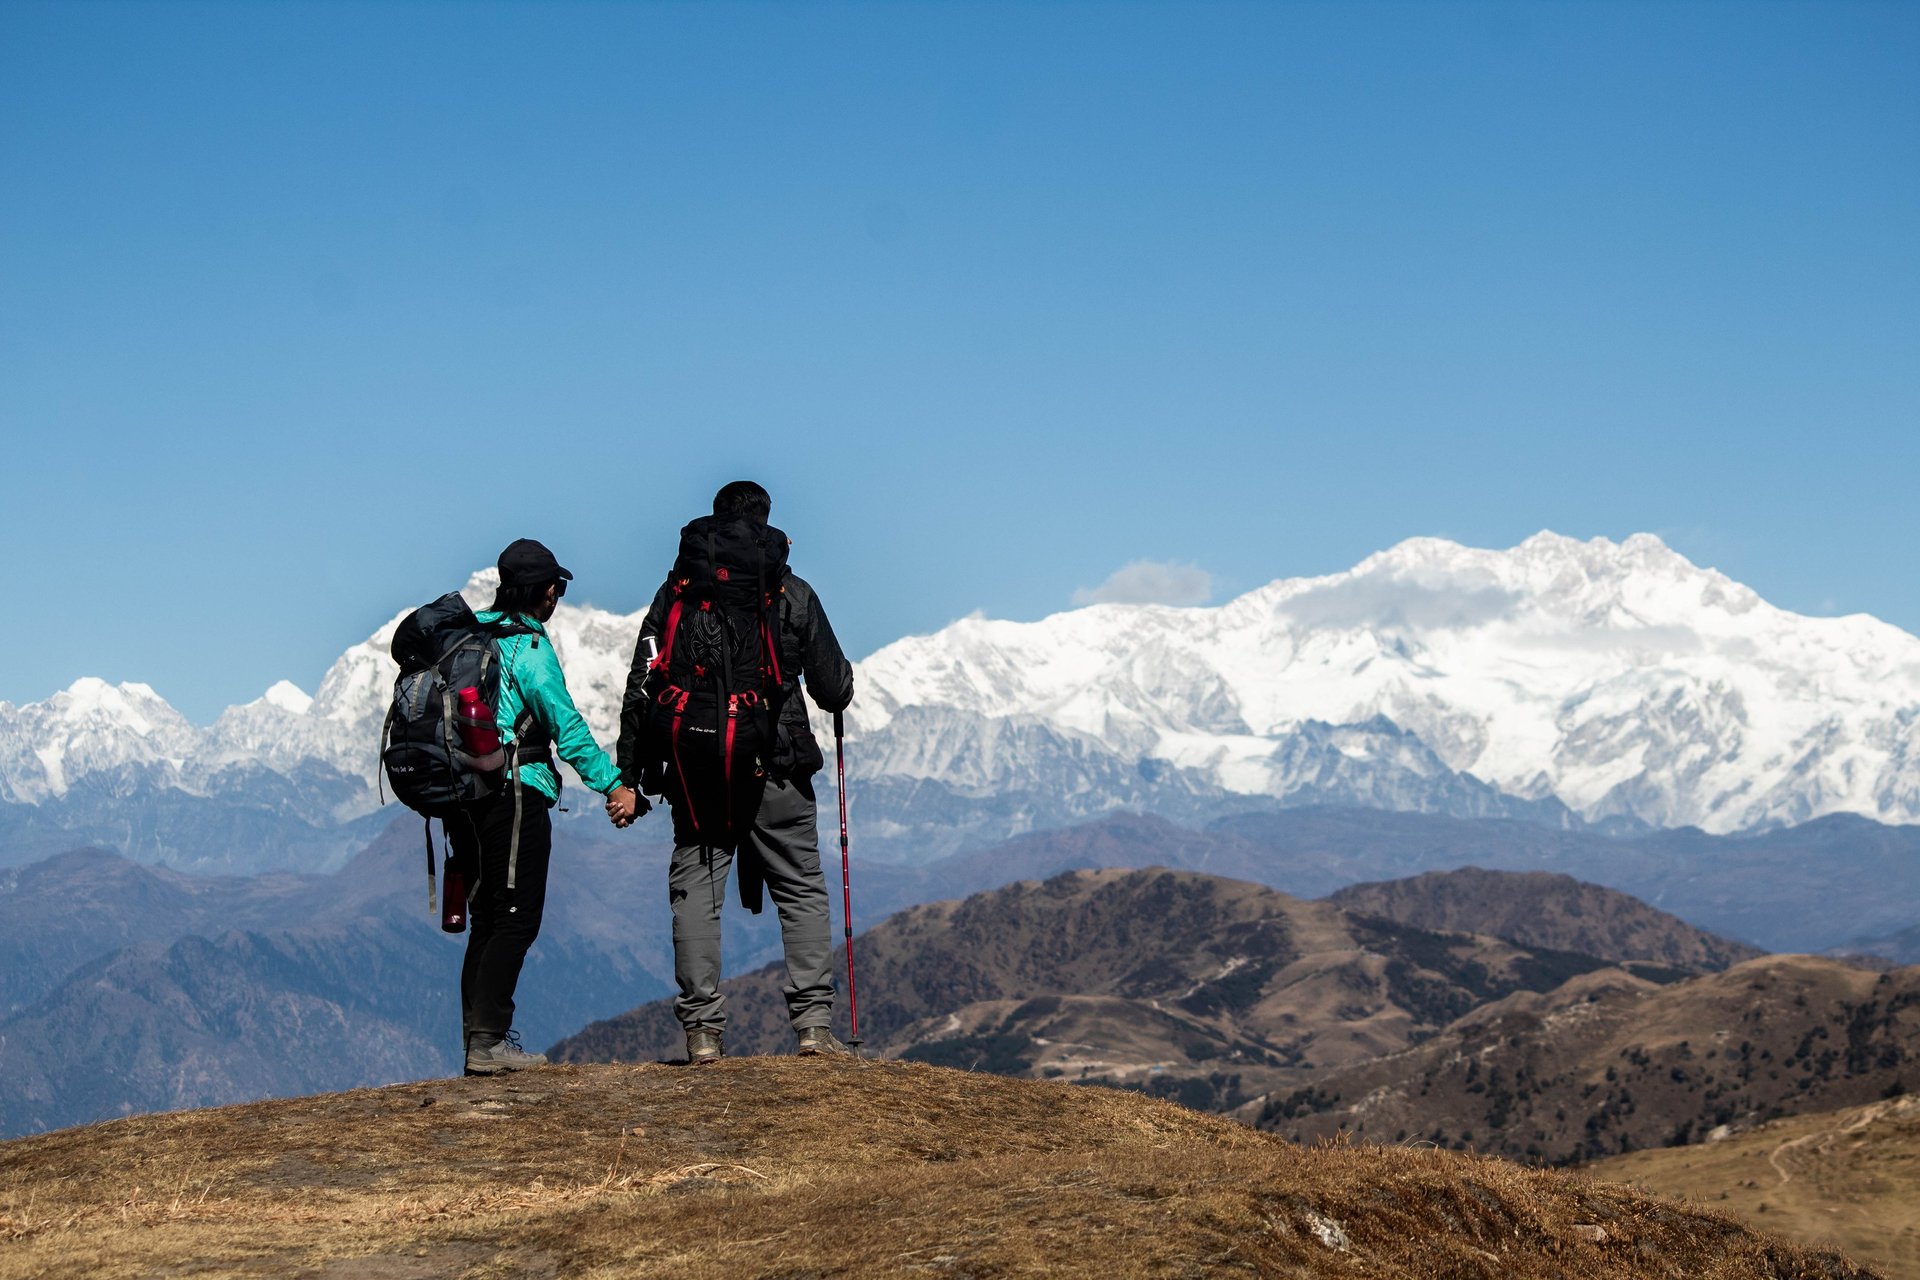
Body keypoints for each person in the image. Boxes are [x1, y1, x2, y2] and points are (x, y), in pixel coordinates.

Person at [614, 481, 855, 1063]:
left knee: (696, 887)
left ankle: (702, 1033)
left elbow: (642, 683)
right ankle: (814, 1029)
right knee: (799, 885)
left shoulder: (675, 594)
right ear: (768, 525)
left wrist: (631, 769)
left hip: (698, 766)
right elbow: (834, 688)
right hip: (776, 761)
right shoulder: (789, 591)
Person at [453, 538, 643, 1074]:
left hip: (467, 796)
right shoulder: (528, 650)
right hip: (514, 792)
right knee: (515, 918)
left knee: (488, 918)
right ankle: (489, 1044)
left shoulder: (473, 638)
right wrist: (614, 786)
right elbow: (567, 728)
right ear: (548, 593)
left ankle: (477, 1039)